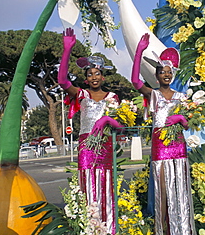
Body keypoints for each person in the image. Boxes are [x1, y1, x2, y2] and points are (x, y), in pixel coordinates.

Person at [58, 28, 121, 234]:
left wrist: (107, 119)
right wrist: (67, 49)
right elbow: (62, 81)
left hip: (106, 146)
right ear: (86, 79)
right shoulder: (82, 94)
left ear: (103, 77)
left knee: (106, 186)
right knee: (87, 185)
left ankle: (109, 229)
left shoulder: (112, 97)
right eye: (90, 74)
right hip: (86, 146)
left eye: (98, 73)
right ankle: (88, 229)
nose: (94, 77)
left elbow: (121, 127)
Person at [131, 33, 196, 235]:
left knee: (181, 191)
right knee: (162, 192)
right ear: (157, 75)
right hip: (160, 150)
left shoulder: (182, 97)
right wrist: (139, 51)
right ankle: (164, 230)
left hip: (179, 148)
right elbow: (135, 81)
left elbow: (189, 125)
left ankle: (183, 229)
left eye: (169, 72)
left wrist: (181, 119)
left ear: (172, 74)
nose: (166, 75)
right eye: (162, 72)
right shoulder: (154, 95)